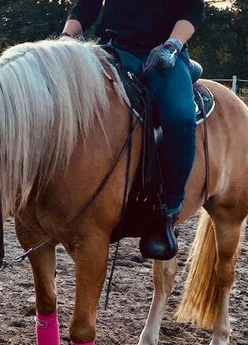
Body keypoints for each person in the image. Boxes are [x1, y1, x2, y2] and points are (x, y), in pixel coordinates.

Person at [61, 0, 205, 260]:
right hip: (113, 51)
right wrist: (66, 37)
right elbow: (86, 7)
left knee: (180, 117)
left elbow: (192, 11)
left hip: (164, 53)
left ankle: (168, 212)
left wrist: (173, 45)